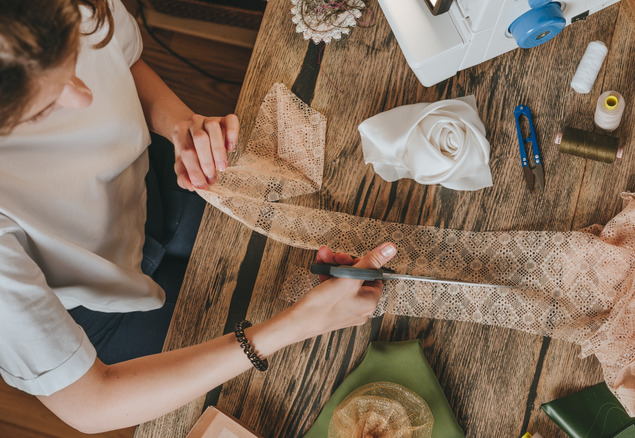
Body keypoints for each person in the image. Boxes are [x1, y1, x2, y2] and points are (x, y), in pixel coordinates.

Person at [0, 0, 396, 433]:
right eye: (44, 107)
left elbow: (126, 61)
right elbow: (90, 403)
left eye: (75, 55)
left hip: (156, 189)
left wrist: (179, 125)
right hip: (97, 311)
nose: (84, 95)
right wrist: (294, 326)